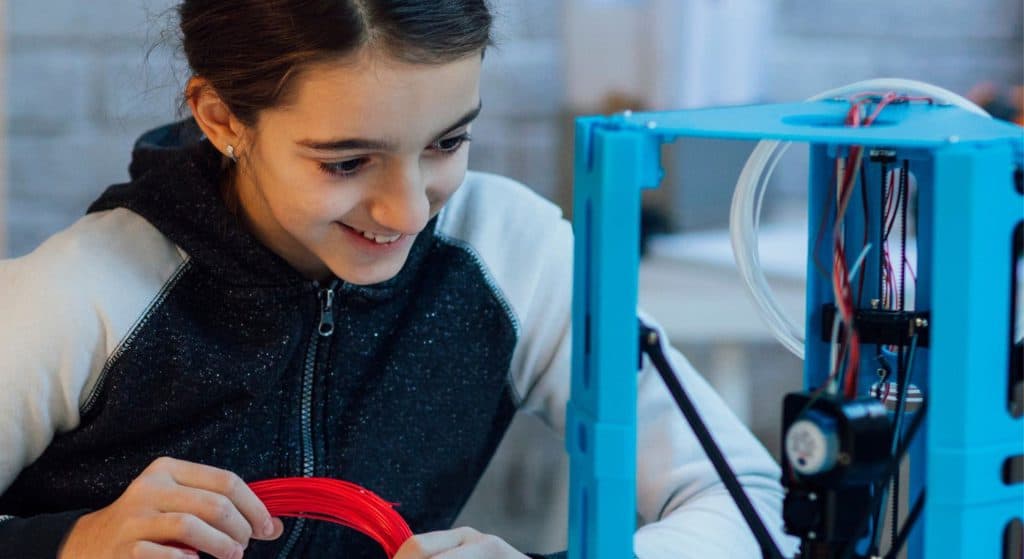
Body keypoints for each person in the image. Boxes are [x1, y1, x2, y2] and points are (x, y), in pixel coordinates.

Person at [0, 1, 793, 558]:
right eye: (346, 161)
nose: (409, 210)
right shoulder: (85, 291)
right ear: (221, 119)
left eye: (448, 142)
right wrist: (67, 543)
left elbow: (753, 502)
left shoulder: (514, 252)